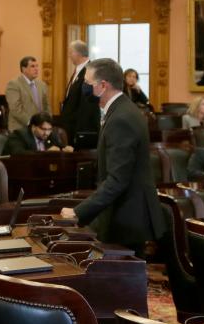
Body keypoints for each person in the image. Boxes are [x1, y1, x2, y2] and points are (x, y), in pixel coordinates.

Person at [61, 58, 165, 255]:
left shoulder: (121, 118)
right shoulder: (121, 109)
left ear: (102, 86)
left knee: (122, 282)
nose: (84, 88)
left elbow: (117, 179)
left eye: (88, 83)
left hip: (127, 218)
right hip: (124, 213)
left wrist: (78, 212)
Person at [59, 40, 100, 143]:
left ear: (78, 53)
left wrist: (80, 132)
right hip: (71, 126)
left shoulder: (90, 71)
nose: (69, 56)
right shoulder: (79, 70)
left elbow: (88, 103)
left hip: (81, 128)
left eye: (70, 52)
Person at [5, 56, 49, 131]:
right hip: (20, 128)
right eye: (32, 66)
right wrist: (32, 123)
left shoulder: (42, 85)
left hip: (40, 129)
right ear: (24, 69)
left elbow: (46, 106)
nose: (36, 69)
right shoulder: (14, 84)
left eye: (37, 66)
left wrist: (47, 122)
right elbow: (15, 109)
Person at [4, 112, 73, 154]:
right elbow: (19, 154)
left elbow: (60, 146)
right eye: (43, 129)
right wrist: (46, 153)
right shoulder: (19, 135)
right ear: (34, 127)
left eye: (49, 129)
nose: (46, 133)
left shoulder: (51, 135)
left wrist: (65, 149)